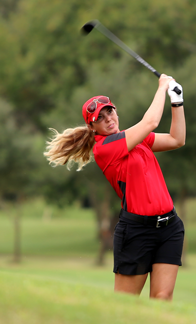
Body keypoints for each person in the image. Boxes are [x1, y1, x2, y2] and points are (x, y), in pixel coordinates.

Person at [44, 74, 185, 301]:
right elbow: (150, 122)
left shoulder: (134, 139)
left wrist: (177, 102)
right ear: (93, 127)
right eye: (100, 118)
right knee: (125, 305)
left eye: (109, 111)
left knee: (162, 298)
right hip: (137, 232)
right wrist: (162, 88)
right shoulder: (105, 148)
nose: (108, 119)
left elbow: (177, 139)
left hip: (170, 228)